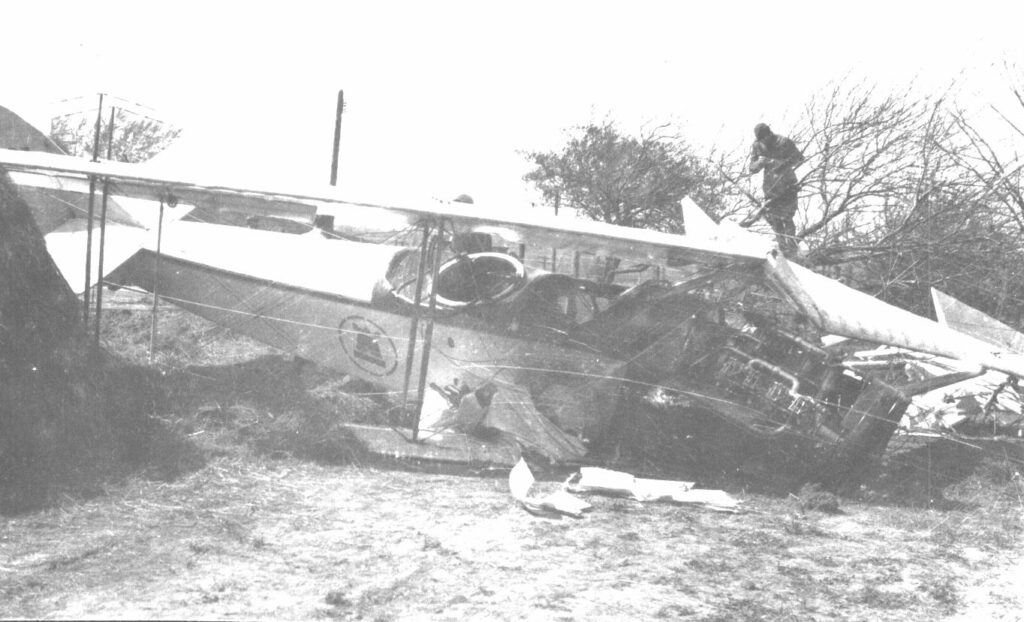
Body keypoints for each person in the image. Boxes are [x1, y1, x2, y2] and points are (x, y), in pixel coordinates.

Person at [747, 123, 805, 256]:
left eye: (764, 138)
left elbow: (799, 158)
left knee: (787, 217)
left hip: (787, 183)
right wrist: (759, 163)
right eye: (760, 140)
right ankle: (782, 250)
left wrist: (776, 163)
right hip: (770, 186)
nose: (763, 142)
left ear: (769, 134)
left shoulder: (784, 142)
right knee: (775, 218)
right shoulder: (757, 145)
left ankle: (792, 250)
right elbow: (752, 168)